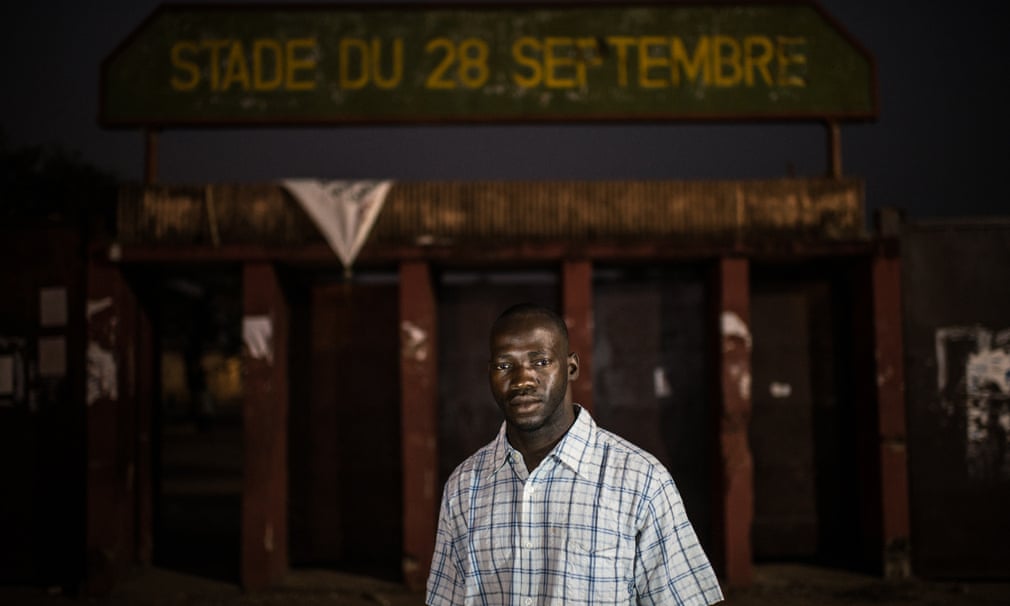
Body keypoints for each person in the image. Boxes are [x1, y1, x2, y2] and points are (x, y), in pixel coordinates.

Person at [426, 303, 724, 605]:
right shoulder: (464, 487)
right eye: (504, 365)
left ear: (571, 368)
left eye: (540, 361)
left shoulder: (642, 481)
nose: (522, 380)